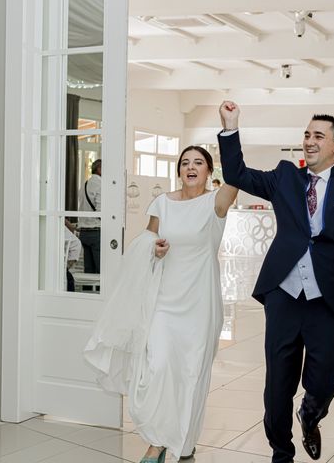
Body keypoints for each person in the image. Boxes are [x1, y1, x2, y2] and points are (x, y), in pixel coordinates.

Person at [217, 101, 334, 463]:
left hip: (329, 302)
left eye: (318, 136)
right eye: (307, 134)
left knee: (324, 380)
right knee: (277, 387)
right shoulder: (284, 177)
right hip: (284, 297)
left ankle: (310, 415)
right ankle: (282, 452)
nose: (309, 141)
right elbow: (236, 172)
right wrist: (230, 127)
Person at [84, 146, 238, 463]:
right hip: (164, 302)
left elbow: (236, 177)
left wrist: (230, 129)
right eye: (185, 163)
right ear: (178, 170)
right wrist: (155, 249)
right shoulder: (162, 203)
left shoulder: (216, 203)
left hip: (200, 305)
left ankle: (180, 440)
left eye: (198, 163)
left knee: (191, 376)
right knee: (157, 367)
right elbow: (146, 243)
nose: (191, 167)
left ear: (210, 171)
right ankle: (158, 440)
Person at [78, 159, 102, 273]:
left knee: (88, 270)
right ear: (99, 169)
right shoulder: (100, 184)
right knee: (101, 271)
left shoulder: (84, 184)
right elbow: (100, 210)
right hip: (96, 232)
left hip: (83, 232)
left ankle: (87, 291)